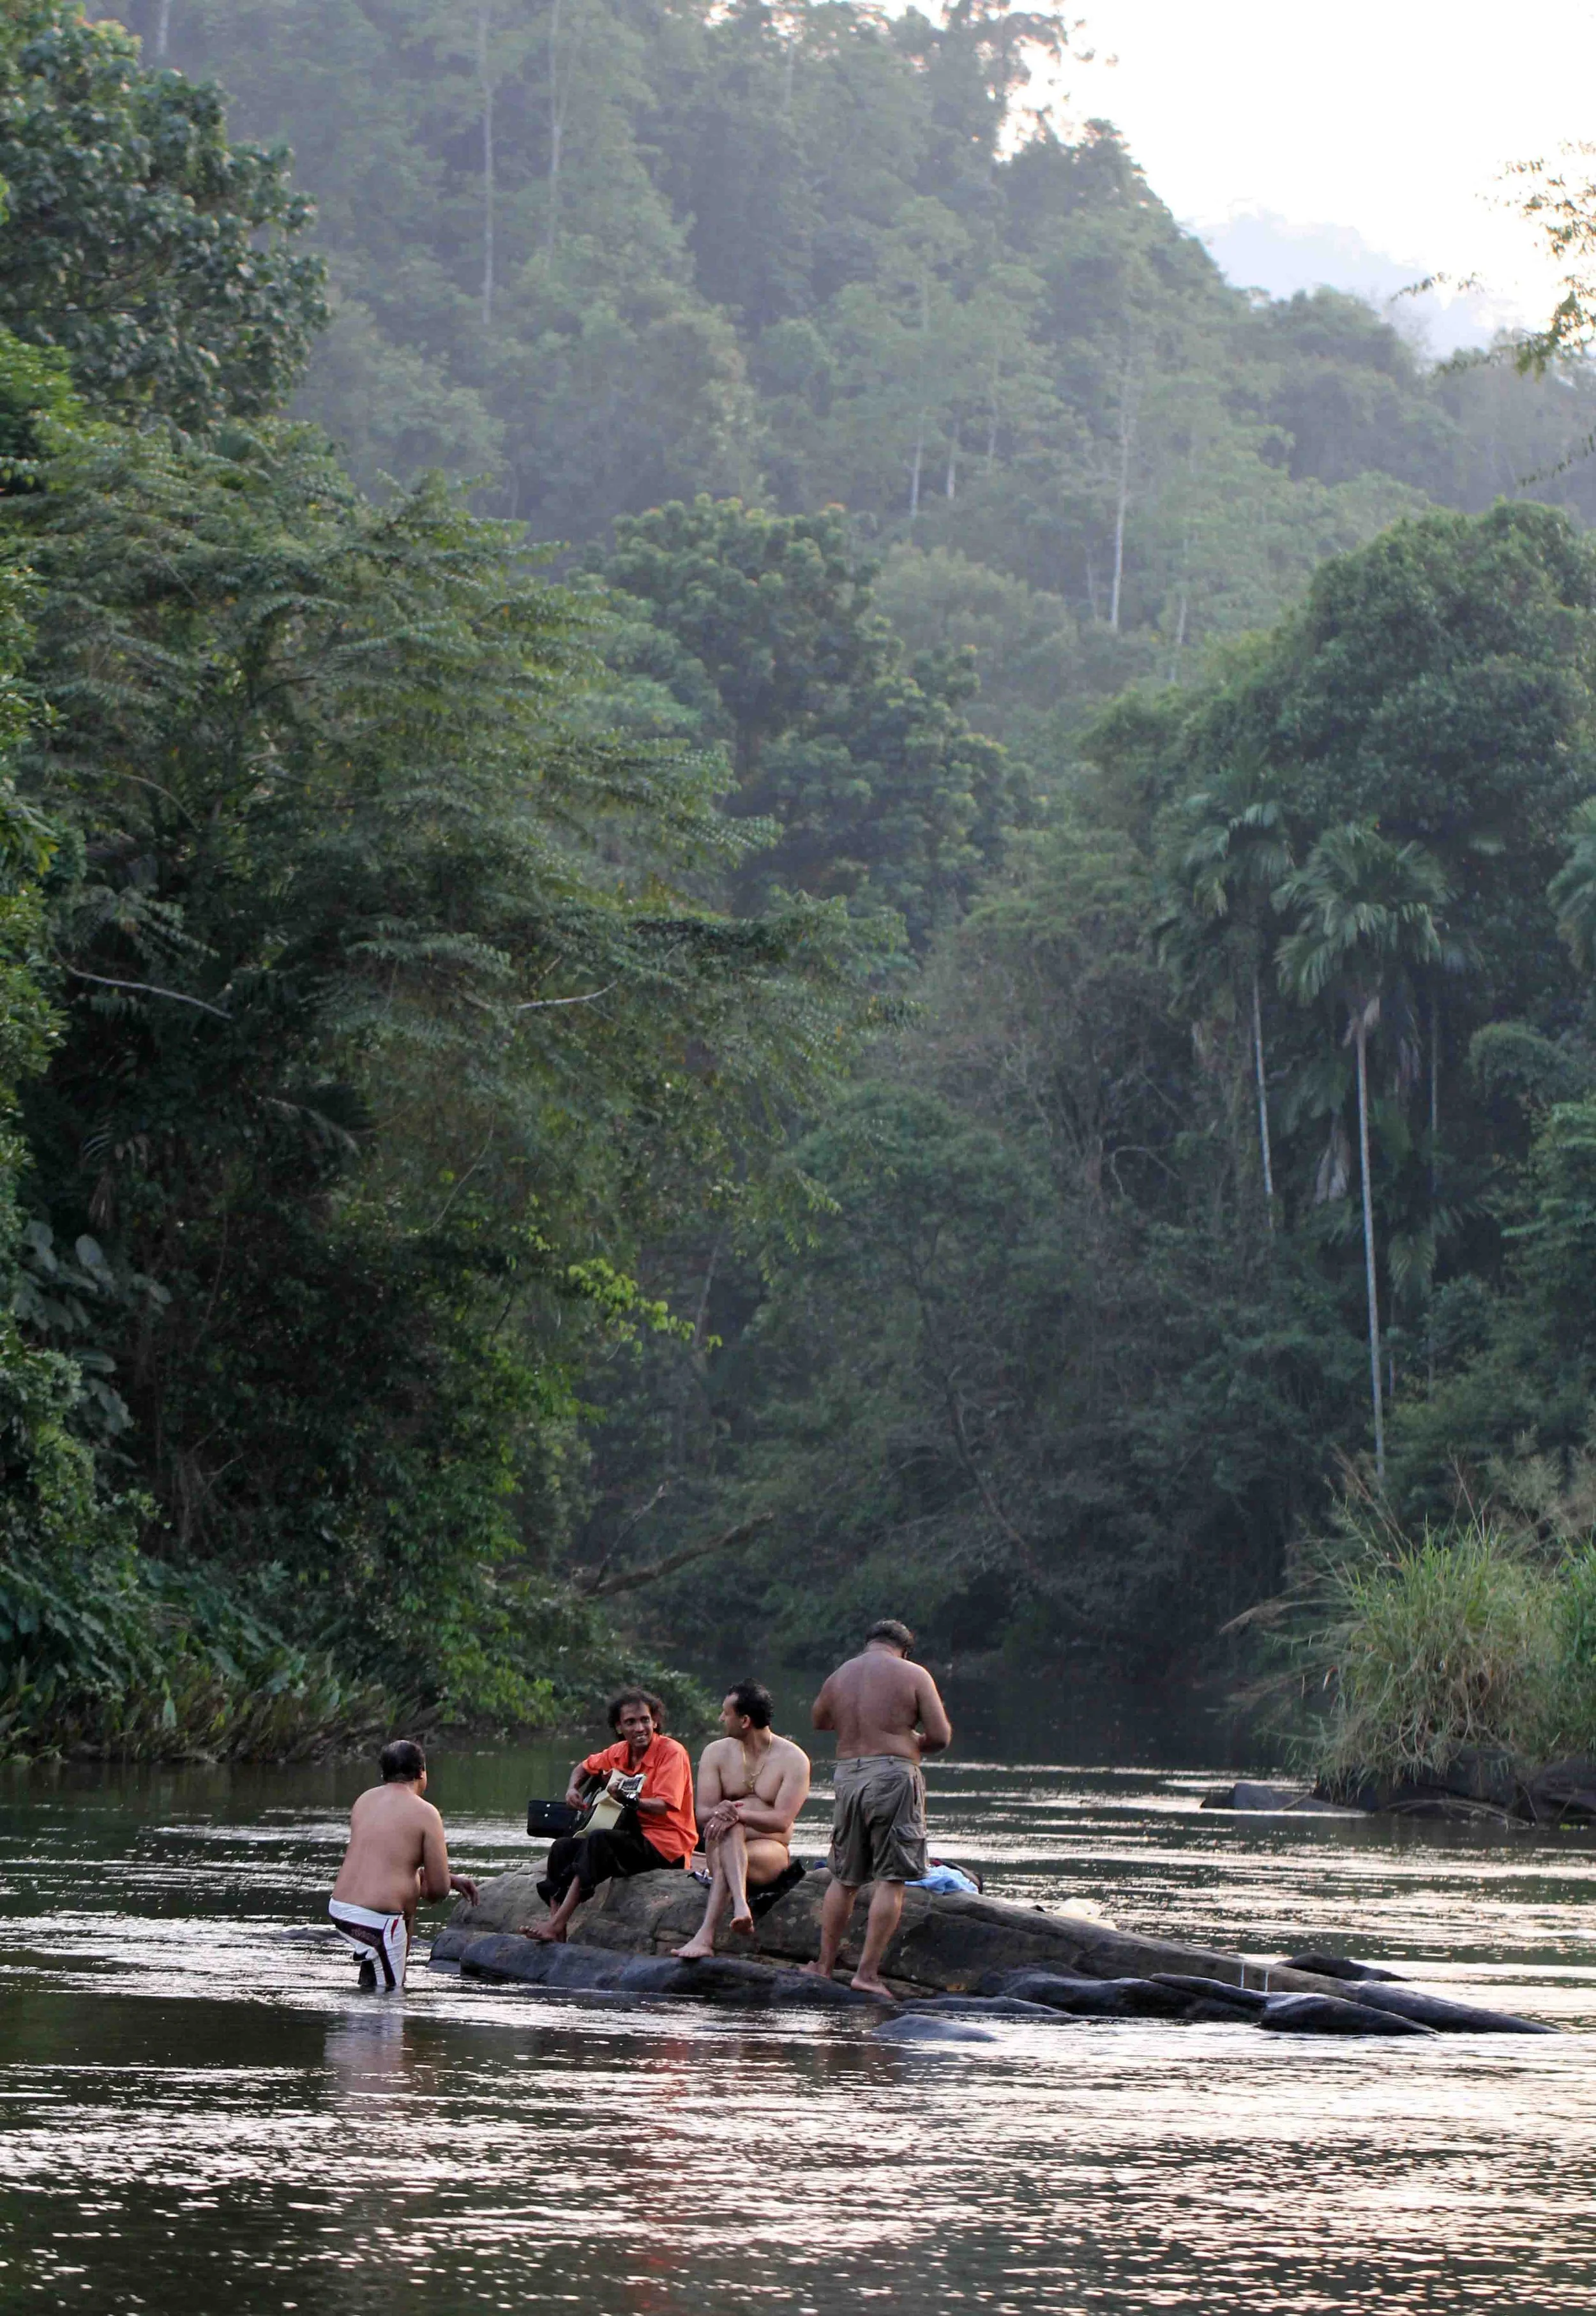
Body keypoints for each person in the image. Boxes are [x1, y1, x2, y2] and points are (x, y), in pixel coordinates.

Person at [802, 1619, 952, 2001]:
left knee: (844, 1876)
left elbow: (819, 1721)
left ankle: (824, 1965)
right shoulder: (913, 1673)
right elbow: (941, 1736)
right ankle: (867, 1974)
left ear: (869, 1643)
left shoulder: (841, 1674)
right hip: (892, 1775)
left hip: (847, 1775)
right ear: (904, 1648)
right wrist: (912, 1738)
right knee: (891, 1877)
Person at [532, 1688, 696, 1943]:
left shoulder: (672, 1752)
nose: (639, 1728)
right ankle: (557, 1928)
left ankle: (557, 1923)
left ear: (655, 1722)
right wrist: (572, 1789)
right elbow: (583, 1767)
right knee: (562, 1847)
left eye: (644, 1720)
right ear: (620, 1727)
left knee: (599, 1841)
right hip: (632, 1837)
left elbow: (664, 1806)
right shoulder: (619, 1751)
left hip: (666, 1846)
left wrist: (630, 1800)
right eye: (630, 1722)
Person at [672, 1681, 811, 1960]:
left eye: (726, 1713)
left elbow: (782, 1821)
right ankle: (740, 1907)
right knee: (729, 1831)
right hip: (722, 1845)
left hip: (769, 1850)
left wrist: (740, 1814)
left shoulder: (794, 1759)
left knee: (733, 1825)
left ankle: (705, 1936)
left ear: (745, 1720)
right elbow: (702, 1814)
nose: (721, 1718)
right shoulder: (716, 1752)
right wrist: (726, 1813)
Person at [329, 1737, 479, 1992]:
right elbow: (438, 1892)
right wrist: (442, 1882)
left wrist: (449, 1878)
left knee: (375, 1988)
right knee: (390, 2002)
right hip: (377, 1920)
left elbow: (387, 1864)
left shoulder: (364, 1800)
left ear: (383, 1773)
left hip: (341, 1908)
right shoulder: (426, 1813)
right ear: (422, 1772)